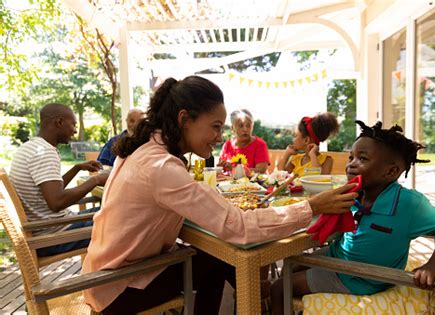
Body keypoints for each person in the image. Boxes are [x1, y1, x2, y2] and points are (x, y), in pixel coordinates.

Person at [82, 76, 358, 315]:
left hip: (102, 274)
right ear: (184, 119)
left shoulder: (142, 149)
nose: (219, 136)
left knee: (214, 257)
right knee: (221, 257)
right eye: (215, 126)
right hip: (119, 286)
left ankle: (260, 303)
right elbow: (240, 228)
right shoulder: (161, 167)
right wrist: (311, 207)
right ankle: (261, 303)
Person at [270, 120, 435, 315]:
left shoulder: (408, 203)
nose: (351, 164)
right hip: (341, 257)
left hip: (358, 278)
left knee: (279, 287)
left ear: (391, 171)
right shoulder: (357, 192)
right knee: (290, 268)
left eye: (362, 159)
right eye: (351, 157)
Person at [9, 103, 109, 257]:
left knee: (113, 209)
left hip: (49, 229)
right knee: (125, 218)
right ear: (59, 122)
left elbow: (51, 189)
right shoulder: (44, 153)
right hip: (53, 237)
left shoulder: (29, 147)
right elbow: (57, 202)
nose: (75, 131)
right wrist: (95, 181)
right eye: (73, 125)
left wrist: (76, 168)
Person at [277, 112, 339, 176]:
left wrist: (312, 154)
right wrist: (286, 154)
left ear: (306, 140)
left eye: (295, 136)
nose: (293, 139)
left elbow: (319, 179)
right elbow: (280, 177)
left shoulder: (327, 160)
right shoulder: (296, 159)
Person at [218, 109, 270, 174]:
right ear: (232, 128)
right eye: (241, 126)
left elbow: (261, 170)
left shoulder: (259, 144)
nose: (245, 129)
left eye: (248, 126)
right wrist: (221, 166)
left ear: (252, 127)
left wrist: (234, 169)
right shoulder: (227, 145)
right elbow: (220, 168)